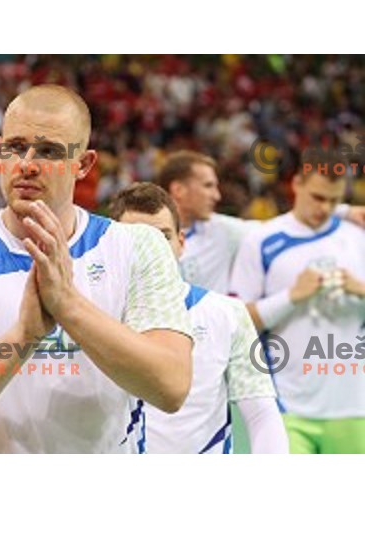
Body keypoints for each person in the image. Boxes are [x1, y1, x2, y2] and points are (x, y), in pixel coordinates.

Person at [0, 84, 193, 453]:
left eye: (50, 151)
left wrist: (67, 304)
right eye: (16, 147)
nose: (28, 164)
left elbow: (171, 385)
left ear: (83, 165)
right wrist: (22, 337)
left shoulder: (135, 246)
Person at [110, 182, 288, 453]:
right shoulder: (91, 316)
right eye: (137, 240)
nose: (152, 252)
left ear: (181, 243)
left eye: (163, 237)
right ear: (113, 247)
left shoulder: (230, 314)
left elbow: (262, 413)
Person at [230, 149, 365, 453]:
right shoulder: (262, 240)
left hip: (354, 407)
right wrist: (291, 297)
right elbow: (238, 320)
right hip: (286, 406)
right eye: (318, 197)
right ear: (296, 184)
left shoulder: (358, 235)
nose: (325, 208)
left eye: (334, 200)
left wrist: (361, 289)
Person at [159, 150, 365, 294]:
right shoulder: (139, 236)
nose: (217, 195)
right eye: (208, 186)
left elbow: (282, 226)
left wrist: (341, 211)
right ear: (178, 190)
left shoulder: (221, 231)